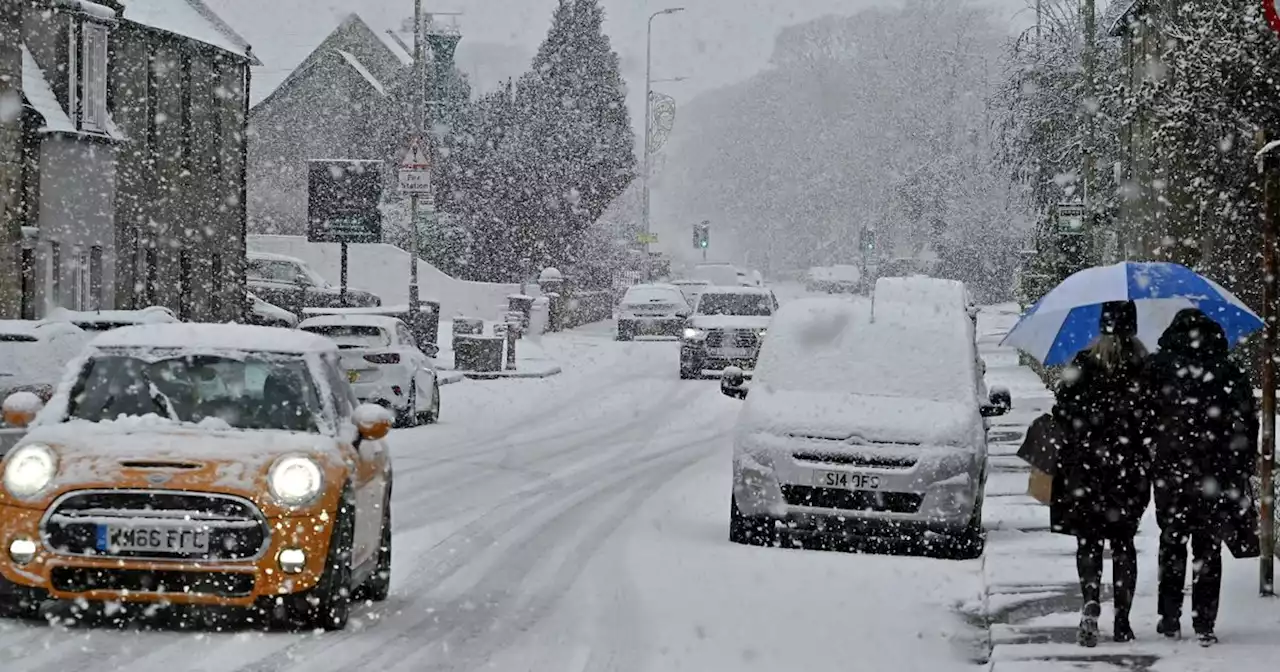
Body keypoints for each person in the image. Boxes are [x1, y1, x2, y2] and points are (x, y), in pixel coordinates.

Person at [1147, 309, 1258, 646]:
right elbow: (1246, 421)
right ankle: (1204, 621)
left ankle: (1169, 617)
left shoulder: (1160, 367)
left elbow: (1145, 415)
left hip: (1172, 471)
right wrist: (1240, 463)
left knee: (1172, 541)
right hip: (1217, 471)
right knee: (1208, 547)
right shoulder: (1228, 369)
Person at [1051, 300, 1151, 647]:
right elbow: (1153, 416)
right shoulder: (1144, 366)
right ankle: (1122, 620)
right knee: (1123, 543)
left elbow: (1061, 409)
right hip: (1128, 468)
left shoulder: (1082, 362)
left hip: (1086, 468)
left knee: (1089, 540)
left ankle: (1090, 599)